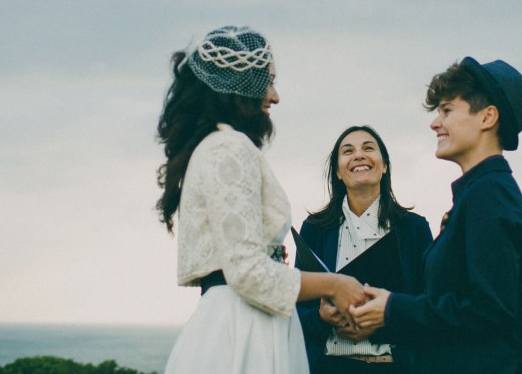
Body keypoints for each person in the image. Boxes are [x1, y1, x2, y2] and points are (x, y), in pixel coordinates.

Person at [156, 26, 367, 374]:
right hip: (243, 329)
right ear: (241, 88)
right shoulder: (229, 148)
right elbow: (248, 272)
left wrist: (316, 296)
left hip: (240, 316)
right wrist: (335, 284)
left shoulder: (214, 146)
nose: (275, 96)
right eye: (268, 82)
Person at [350, 56, 522, 373]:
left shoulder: (489, 195)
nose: (435, 123)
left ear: (487, 117)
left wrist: (394, 310)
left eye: (447, 110)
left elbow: (489, 313)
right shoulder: (477, 194)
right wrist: (386, 308)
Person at [295, 125, 433, 374]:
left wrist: (382, 323)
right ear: (338, 172)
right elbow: (295, 309)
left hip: (393, 367)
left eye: (368, 148)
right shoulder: (315, 229)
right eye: (348, 151)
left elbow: (428, 307)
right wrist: (321, 317)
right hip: (328, 366)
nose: (358, 155)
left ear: (384, 166)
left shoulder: (413, 229)